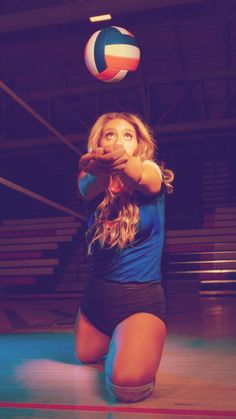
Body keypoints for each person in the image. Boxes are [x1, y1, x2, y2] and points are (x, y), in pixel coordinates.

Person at [75, 112, 174, 403]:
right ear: (98, 142)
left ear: (138, 144)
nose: (118, 140)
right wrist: (97, 168)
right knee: (85, 355)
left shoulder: (153, 173)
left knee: (127, 386)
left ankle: (137, 341)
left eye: (127, 135)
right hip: (95, 302)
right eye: (110, 135)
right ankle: (114, 339)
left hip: (139, 303)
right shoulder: (91, 177)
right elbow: (88, 185)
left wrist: (118, 161)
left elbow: (143, 177)